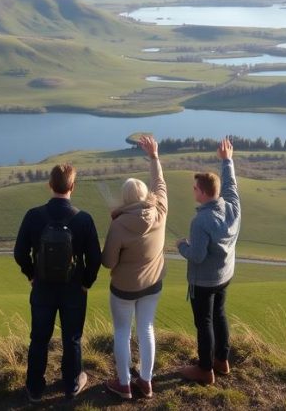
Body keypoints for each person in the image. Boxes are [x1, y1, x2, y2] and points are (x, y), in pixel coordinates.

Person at [14, 163, 102, 404]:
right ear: (73, 186)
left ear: (49, 185)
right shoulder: (84, 219)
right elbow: (95, 258)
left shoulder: (33, 216)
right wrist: (87, 282)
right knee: (72, 338)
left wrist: (31, 274)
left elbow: (19, 252)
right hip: (74, 290)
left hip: (42, 289)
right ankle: (72, 383)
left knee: (39, 338)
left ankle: (34, 387)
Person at [101, 134, 168, 400]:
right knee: (146, 328)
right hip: (153, 285)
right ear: (146, 195)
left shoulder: (118, 225)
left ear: (125, 199)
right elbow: (159, 183)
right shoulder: (160, 210)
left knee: (121, 332)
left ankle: (125, 384)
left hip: (124, 289)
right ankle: (147, 381)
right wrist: (154, 156)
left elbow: (108, 262)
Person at [177, 137, 241, 385]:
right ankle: (222, 361)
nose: (192, 190)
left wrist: (182, 245)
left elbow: (197, 256)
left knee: (203, 322)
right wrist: (227, 160)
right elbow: (231, 185)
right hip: (225, 275)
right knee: (220, 315)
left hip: (203, 281)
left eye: (194, 188)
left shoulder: (200, 221)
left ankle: (205, 370)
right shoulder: (232, 207)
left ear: (203, 194)